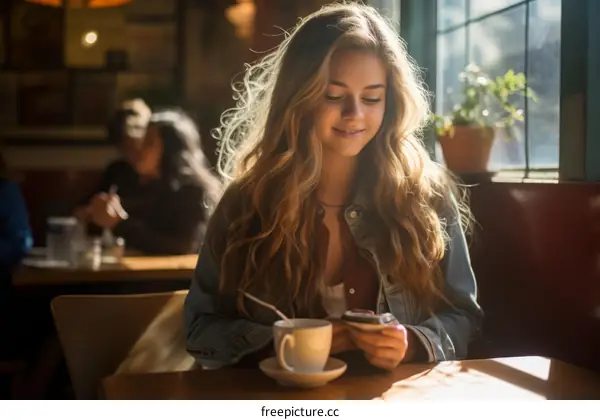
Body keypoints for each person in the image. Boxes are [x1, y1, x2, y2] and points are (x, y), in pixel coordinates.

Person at [184, 2, 483, 371]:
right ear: (299, 97)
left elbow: (463, 316)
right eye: (333, 95)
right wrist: (291, 342)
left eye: (372, 97)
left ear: (390, 102)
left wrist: (413, 344)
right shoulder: (247, 203)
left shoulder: (426, 194)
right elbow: (200, 329)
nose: (355, 114)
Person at [74, 102, 222, 255]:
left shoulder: (193, 191)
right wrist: (98, 214)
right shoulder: (144, 184)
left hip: (176, 277)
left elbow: (181, 247)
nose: (139, 149)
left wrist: (119, 223)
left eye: (149, 143)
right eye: (143, 141)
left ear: (170, 151)